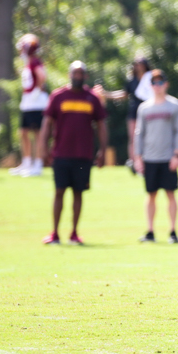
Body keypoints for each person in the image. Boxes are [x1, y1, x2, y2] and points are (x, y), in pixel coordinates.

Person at [39, 61, 108, 245]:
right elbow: (47, 123)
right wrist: (43, 148)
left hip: (83, 155)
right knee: (59, 191)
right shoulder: (58, 96)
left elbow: (101, 125)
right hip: (61, 153)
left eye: (81, 73)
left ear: (85, 76)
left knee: (78, 193)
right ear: (69, 74)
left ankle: (74, 233)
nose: (78, 76)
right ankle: (55, 233)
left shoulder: (92, 98)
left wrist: (103, 150)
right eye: (75, 73)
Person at [133, 69, 178, 244]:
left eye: (160, 82)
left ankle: (173, 231)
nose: (157, 86)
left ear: (166, 84)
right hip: (150, 157)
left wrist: (177, 154)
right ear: (150, 86)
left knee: (170, 194)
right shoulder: (144, 108)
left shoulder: (175, 105)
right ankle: (150, 231)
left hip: (168, 157)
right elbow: (139, 133)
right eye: (154, 83)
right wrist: (138, 157)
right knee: (151, 194)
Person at [95, 56, 152, 171]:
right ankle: (134, 162)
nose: (139, 66)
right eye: (137, 64)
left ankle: (148, 159)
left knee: (148, 136)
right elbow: (124, 94)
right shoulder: (132, 80)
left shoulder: (151, 78)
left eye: (141, 64)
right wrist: (106, 94)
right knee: (133, 137)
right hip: (134, 111)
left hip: (149, 111)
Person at [13, 34, 49, 177]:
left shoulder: (35, 62)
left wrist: (36, 92)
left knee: (38, 134)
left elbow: (42, 77)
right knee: (23, 132)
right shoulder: (29, 63)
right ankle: (27, 162)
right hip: (28, 103)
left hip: (37, 103)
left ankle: (38, 165)